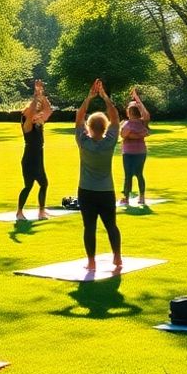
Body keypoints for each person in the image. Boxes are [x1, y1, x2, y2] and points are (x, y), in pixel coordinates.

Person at [75, 79, 122, 272]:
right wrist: (104, 97)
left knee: (89, 227)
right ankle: (117, 256)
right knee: (111, 225)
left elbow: (78, 118)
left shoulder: (83, 142)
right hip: (106, 191)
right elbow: (116, 118)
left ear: (89, 127)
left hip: (86, 190)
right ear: (105, 127)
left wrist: (89, 98)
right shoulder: (109, 142)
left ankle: (91, 261)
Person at [16, 79, 53, 221]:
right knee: (28, 186)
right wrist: (35, 97)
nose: (36, 113)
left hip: (38, 159)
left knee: (44, 184)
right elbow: (31, 112)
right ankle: (19, 212)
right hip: (29, 160)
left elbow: (48, 110)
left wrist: (41, 95)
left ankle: (41, 211)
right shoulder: (27, 126)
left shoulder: (38, 124)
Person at [119, 87, 152, 207]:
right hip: (140, 152)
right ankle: (141, 197)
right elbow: (146, 114)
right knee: (139, 174)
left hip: (128, 153)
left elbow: (123, 135)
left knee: (128, 176)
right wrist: (137, 99)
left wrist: (131, 135)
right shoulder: (143, 123)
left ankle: (126, 198)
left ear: (129, 112)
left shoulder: (126, 124)